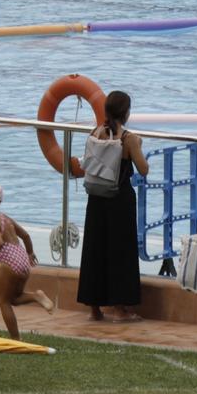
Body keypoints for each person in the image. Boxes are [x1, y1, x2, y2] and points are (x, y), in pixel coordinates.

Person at [76, 89, 148, 323]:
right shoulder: (129, 139)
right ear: (126, 113)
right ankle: (119, 308)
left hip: (96, 198)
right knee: (120, 252)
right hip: (119, 199)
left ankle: (94, 308)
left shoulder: (95, 132)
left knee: (94, 250)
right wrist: (140, 147)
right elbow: (143, 169)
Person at [0, 183, 55, 339]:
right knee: (14, 299)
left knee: (3, 302)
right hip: (22, 259)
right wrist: (29, 253)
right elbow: (25, 236)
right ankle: (37, 296)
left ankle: (16, 338)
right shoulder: (5, 218)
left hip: (10, 263)